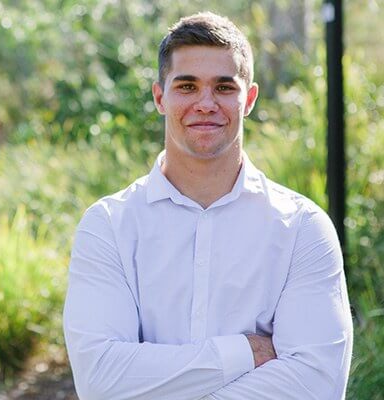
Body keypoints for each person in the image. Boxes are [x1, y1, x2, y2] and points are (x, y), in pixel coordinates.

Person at [62, 11, 353, 400]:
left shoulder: (302, 228)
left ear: (248, 99)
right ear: (159, 97)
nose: (205, 103)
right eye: (187, 86)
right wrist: (246, 351)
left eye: (223, 87)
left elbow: (315, 384)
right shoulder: (109, 226)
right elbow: (101, 381)